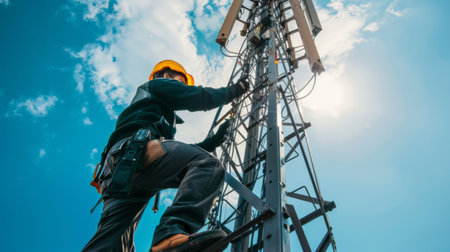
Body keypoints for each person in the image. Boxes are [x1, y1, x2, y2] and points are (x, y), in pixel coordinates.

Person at [82, 60, 249, 252]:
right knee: (207, 164)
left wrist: (213, 141)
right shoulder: (156, 85)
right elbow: (196, 96)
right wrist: (235, 90)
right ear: (167, 76)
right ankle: (170, 234)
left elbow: (174, 154)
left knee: (110, 244)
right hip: (132, 154)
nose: (183, 87)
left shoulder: (154, 110)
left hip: (119, 171)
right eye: (181, 82)